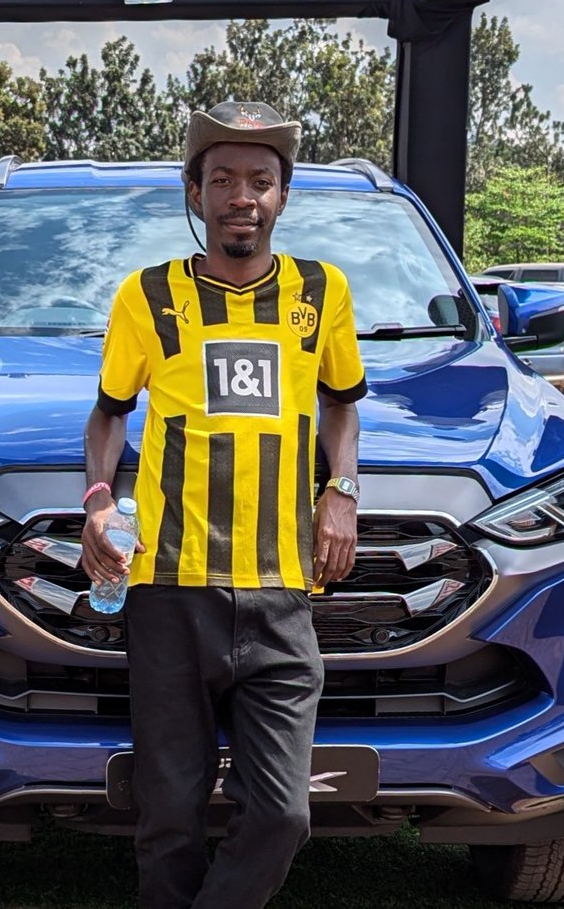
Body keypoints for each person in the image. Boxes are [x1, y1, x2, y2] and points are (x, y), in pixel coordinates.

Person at [81, 101, 367, 909]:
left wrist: (339, 492)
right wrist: (100, 501)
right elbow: (109, 413)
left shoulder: (322, 293)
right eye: (224, 179)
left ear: (284, 194)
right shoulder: (148, 297)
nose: (243, 195)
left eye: (261, 180)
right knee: (168, 819)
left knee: (281, 813)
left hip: (282, 597)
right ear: (195, 192)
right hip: (169, 593)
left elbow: (343, 403)